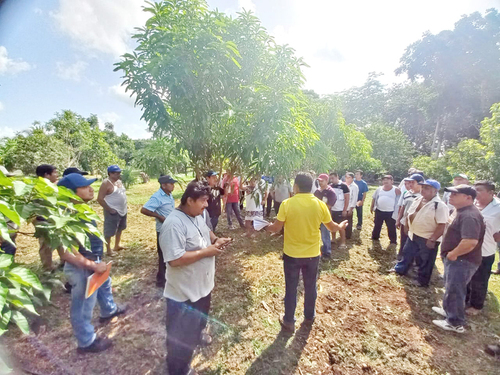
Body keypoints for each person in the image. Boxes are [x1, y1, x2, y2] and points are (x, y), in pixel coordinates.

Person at [160, 181, 231, 375]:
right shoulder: (173, 224)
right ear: (189, 200)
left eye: (207, 201)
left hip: (202, 287)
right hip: (183, 294)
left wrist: (215, 240)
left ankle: (197, 336)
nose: (206, 205)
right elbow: (174, 260)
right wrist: (207, 251)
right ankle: (177, 369)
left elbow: (205, 230)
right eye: (203, 201)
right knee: (180, 338)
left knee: (197, 324)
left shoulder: (197, 215)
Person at [266, 172, 348, 332]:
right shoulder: (319, 204)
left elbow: (276, 228)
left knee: (291, 287)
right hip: (312, 254)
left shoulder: (287, 204)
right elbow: (331, 227)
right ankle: (309, 317)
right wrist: (340, 226)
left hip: (292, 254)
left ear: (295, 186)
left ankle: (289, 321)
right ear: (311, 186)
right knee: (310, 286)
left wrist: (264, 226)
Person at [57, 173, 126, 353]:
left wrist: (97, 261)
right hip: (81, 267)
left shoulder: (81, 210)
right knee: (82, 306)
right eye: (85, 186)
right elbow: (66, 253)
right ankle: (86, 342)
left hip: (93, 261)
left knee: (103, 286)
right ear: (71, 193)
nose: (91, 189)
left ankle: (108, 311)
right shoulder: (66, 217)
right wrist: (92, 265)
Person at [432, 185, 485, 333]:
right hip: (456, 259)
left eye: (456, 194)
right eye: (451, 193)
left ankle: (455, 322)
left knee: (456, 289)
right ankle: (449, 311)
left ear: (468, 198)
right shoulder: (460, 211)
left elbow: (470, 241)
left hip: (463, 260)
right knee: (450, 286)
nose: (451, 196)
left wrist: (454, 253)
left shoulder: (470, 216)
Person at [392, 179, 448, 287]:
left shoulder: (439, 206)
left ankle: (422, 281)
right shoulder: (418, 199)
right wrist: (407, 225)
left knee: (425, 260)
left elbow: (442, 225)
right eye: (423, 187)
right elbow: (410, 213)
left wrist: (433, 239)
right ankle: (400, 270)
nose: (423, 190)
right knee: (407, 253)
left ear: (435, 191)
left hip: (427, 237)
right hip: (413, 233)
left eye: (427, 188)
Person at [465, 181, 500, 314]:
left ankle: (476, 306)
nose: (475, 192)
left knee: (479, 280)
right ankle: (465, 299)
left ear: (491, 193)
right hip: (467, 248)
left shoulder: (498, 208)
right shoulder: (471, 203)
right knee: (466, 277)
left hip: (485, 250)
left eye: (479, 190)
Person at [140, 175, 177, 288]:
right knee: (163, 255)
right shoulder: (157, 197)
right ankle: (161, 281)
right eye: (171, 184)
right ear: (163, 185)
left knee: (169, 253)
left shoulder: (168, 195)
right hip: (163, 230)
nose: (173, 185)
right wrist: (159, 216)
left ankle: (168, 277)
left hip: (170, 228)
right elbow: (144, 209)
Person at [97, 165, 127, 257]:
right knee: (109, 231)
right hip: (112, 210)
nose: (118, 175)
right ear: (110, 173)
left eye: (119, 173)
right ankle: (108, 250)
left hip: (122, 210)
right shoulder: (106, 183)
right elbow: (100, 199)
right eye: (116, 173)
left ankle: (117, 245)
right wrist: (109, 209)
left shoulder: (119, 182)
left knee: (120, 228)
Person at [35, 164, 59, 270]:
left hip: (53, 218)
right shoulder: (39, 187)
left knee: (57, 241)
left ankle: (57, 263)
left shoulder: (51, 186)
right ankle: (47, 267)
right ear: (47, 175)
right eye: (55, 173)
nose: (57, 175)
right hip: (42, 219)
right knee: (45, 244)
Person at [395, 174, 424, 259]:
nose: (410, 184)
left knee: (413, 243)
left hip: (415, 224)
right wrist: (398, 220)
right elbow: (403, 207)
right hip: (404, 222)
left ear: (420, 183)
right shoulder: (407, 193)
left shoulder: (423, 196)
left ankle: (411, 261)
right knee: (403, 241)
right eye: (409, 182)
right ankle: (401, 258)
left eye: (413, 182)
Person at [370, 175, 400, 246]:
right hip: (379, 210)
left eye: (388, 179)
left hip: (391, 212)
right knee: (377, 225)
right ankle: (375, 237)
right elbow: (374, 198)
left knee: (391, 227)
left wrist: (398, 212)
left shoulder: (396, 190)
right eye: (384, 180)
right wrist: (372, 207)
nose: (385, 181)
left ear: (392, 181)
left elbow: (399, 201)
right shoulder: (379, 189)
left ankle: (393, 241)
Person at [314, 174, 337, 258]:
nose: (320, 183)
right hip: (316, 217)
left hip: (325, 217)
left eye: (322, 181)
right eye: (319, 181)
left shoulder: (331, 192)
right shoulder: (317, 191)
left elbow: (329, 206)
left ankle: (327, 252)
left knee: (325, 234)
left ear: (327, 181)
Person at [329, 172, 350, 250]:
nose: (331, 180)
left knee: (341, 227)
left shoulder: (344, 186)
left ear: (337, 176)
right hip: (332, 209)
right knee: (332, 225)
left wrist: (345, 209)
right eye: (330, 178)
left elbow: (347, 198)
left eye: (333, 178)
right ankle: (333, 238)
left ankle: (343, 242)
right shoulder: (330, 186)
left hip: (340, 209)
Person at [344, 172, 359, 240]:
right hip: (343, 206)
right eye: (346, 177)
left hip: (349, 206)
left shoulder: (354, 187)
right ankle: (343, 234)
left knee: (349, 221)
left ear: (352, 178)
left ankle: (348, 235)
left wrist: (351, 209)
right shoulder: (344, 185)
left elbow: (354, 198)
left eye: (349, 177)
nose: (347, 179)